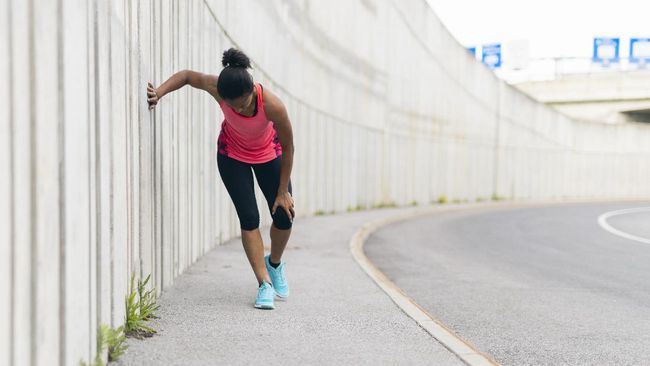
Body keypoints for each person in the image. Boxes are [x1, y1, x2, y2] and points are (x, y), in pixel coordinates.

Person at [146, 48, 295, 310]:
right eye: (233, 105)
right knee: (249, 218)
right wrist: (159, 91)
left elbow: (289, 146)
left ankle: (274, 264)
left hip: (269, 155)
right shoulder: (218, 87)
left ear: (252, 92)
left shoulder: (273, 105)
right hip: (232, 155)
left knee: (284, 216)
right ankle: (264, 285)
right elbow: (188, 77)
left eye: (244, 104)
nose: (239, 109)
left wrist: (283, 190)